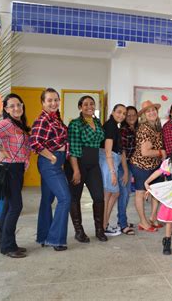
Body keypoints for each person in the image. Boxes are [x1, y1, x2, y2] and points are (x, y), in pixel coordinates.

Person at [0, 93, 31, 258]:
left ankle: (7, 244)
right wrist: (1, 149)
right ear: (6, 109)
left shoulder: (19, 124)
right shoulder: (6, 124)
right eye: (12, 106)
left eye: (18, 104)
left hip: (17, 168)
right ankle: (8, 246)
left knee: (8, 206)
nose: (16, 108)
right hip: (9, 168)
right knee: (16, 206)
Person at [29, 88, 71, 251]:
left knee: (47, 200)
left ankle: (44, 236)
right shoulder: (42, 119)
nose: (54, 103)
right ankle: (56, 239)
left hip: (54, 162)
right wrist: (52, 157)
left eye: (56, 100)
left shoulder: (55, 118)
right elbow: (35, 143)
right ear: (43, 102)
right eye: (50, 100)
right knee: (65, 198)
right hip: (50, 163)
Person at [66, 96, 107, 243]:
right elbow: (73, 149)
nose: (89, 106)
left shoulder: (97, 121)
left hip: (93, 165)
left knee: (99, 197)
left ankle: (99, 230)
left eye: (92, 104)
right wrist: (76, 171)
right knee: (75, 198)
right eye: (85, 104)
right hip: (78, 164)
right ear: (80, 107)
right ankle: (79, 231)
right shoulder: (75, 124)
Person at [130, 100, 166, 232]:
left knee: (156, 192)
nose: (152, 112)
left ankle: (153, 218)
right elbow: (145, 152)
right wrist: (161, 152)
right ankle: (143, 222)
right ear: (144, 115)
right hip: (141, 165)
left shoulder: (156, 125)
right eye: (148, 111)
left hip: (154, 164)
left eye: (153, 110)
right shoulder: (144, 128)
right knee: (140, 193)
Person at [99, 104, 127, 237]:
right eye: (119, 112)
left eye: (124, 113)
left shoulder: (114, 125)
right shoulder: (110, 126)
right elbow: (108, 151)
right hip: (108, 162)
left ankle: (104, 225)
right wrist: (112, 172)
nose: (121, 115)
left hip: (111, 161)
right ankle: (103, 226)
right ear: (113, 112)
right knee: (109, 194)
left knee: (112, 194)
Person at [117, 106, 138, 235]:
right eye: (128, 115)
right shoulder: (123, 130)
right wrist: (125, 171)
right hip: (122, 164)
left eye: (133, 115)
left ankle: (122, 220)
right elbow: (122, 152)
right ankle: (123, 224)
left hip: (130, 164)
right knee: (124, 194)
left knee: (127, 193)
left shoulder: (134, 128)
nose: (131, 117)